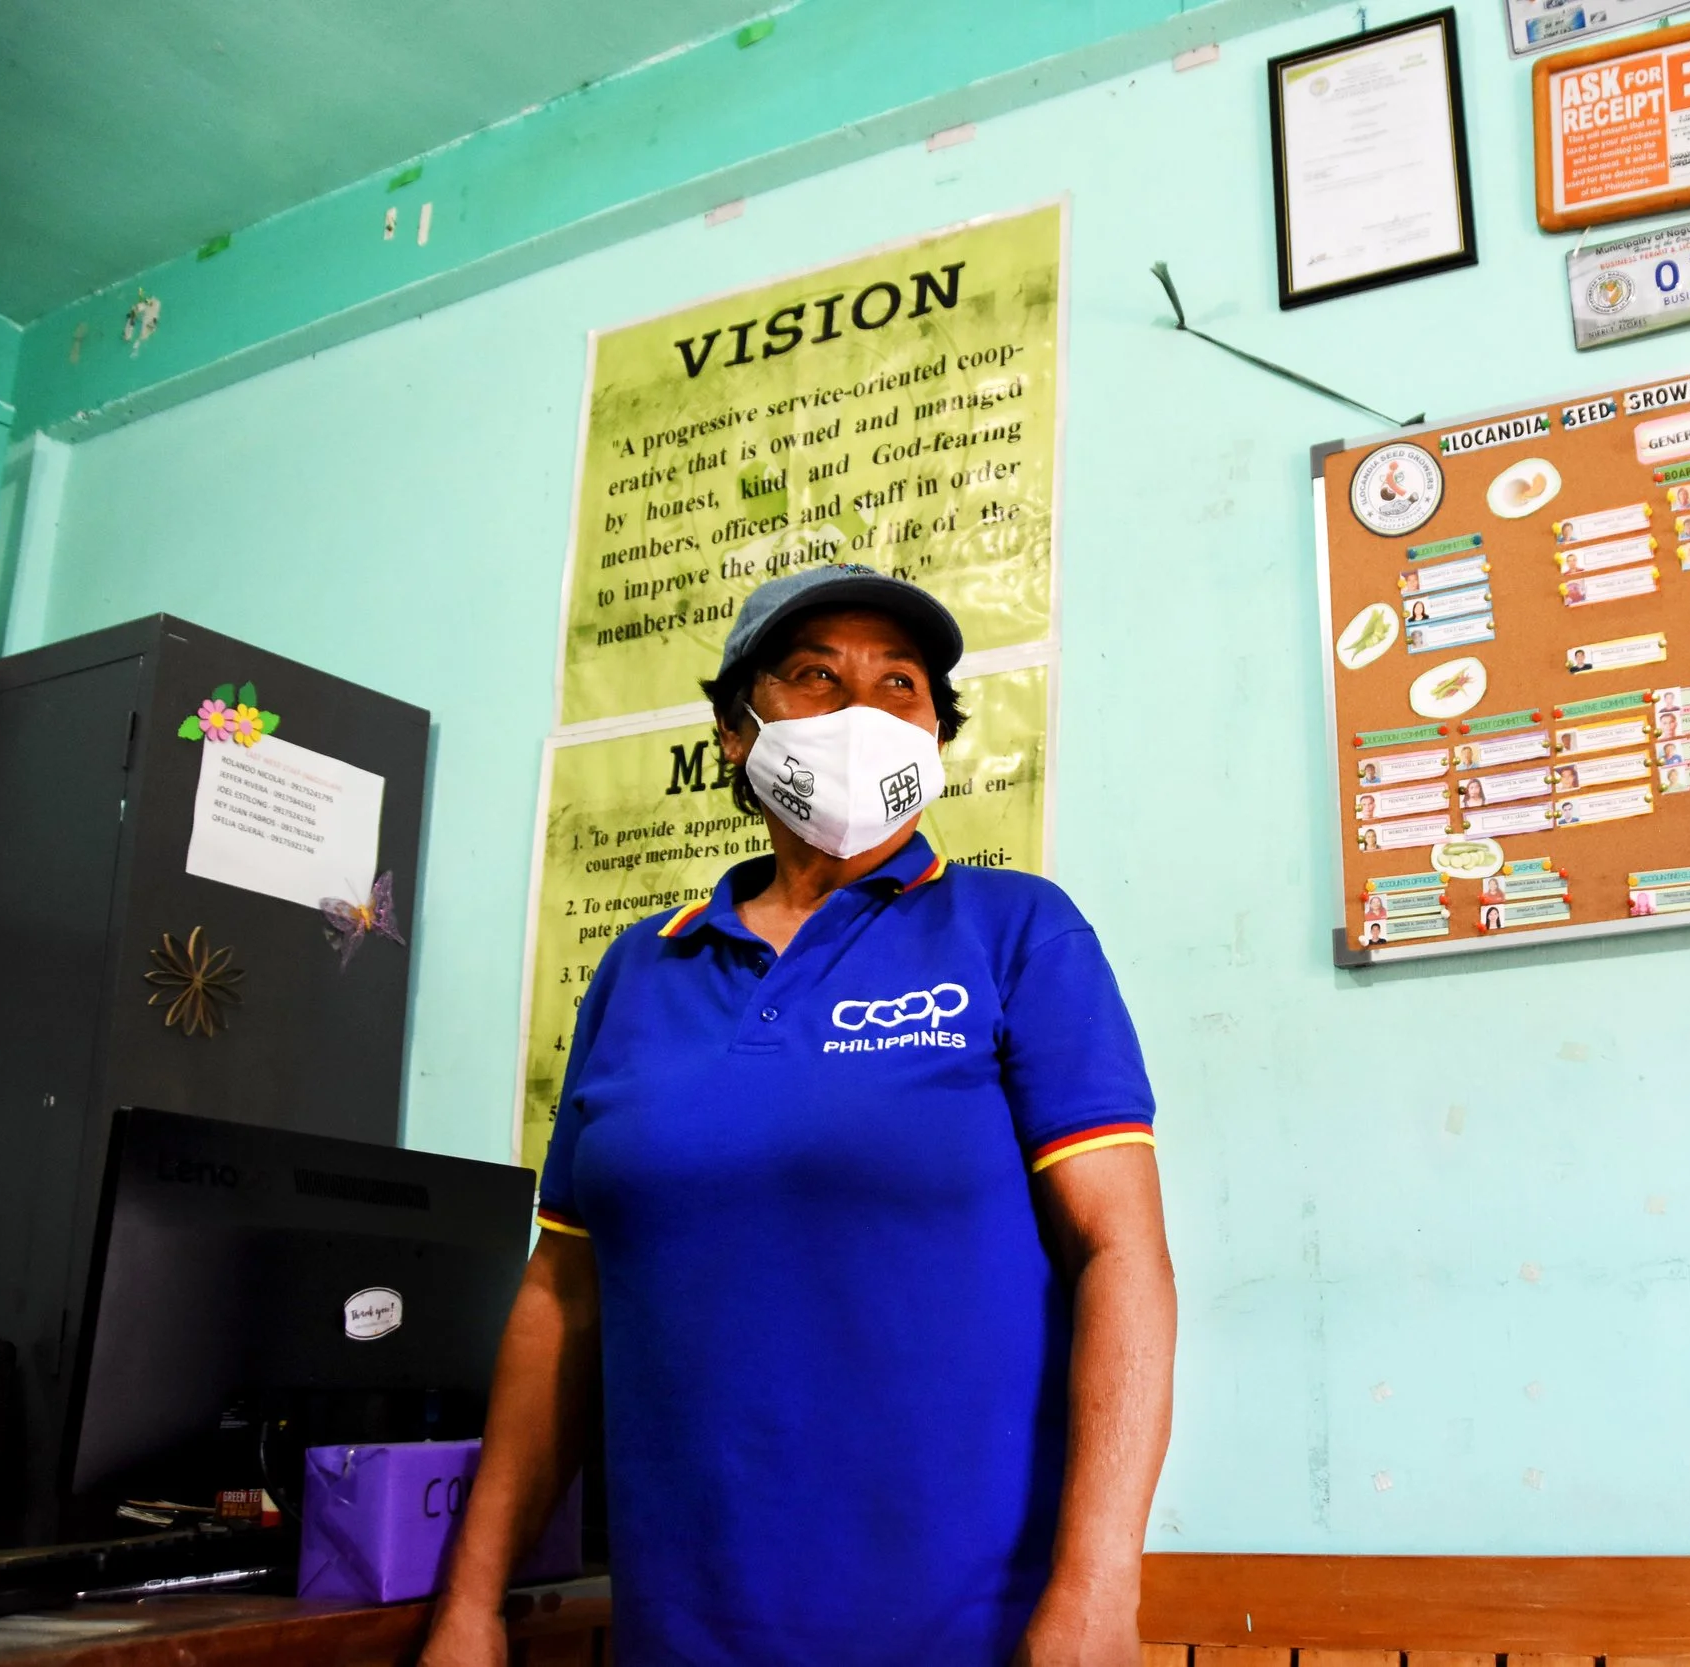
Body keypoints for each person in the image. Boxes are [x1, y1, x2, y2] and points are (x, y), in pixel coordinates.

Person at [422, 565, 1173, 1667]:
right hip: (678, 1624)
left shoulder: (1016, 932)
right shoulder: (642, 969)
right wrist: (470, 1603)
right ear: (736, 731)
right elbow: (562, 1295)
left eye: (900, 684)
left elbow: (1123, 1254)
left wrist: (1101, 1582)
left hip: (975, 1626)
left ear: (936, 731)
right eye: (817, 675)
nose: (862, 708)